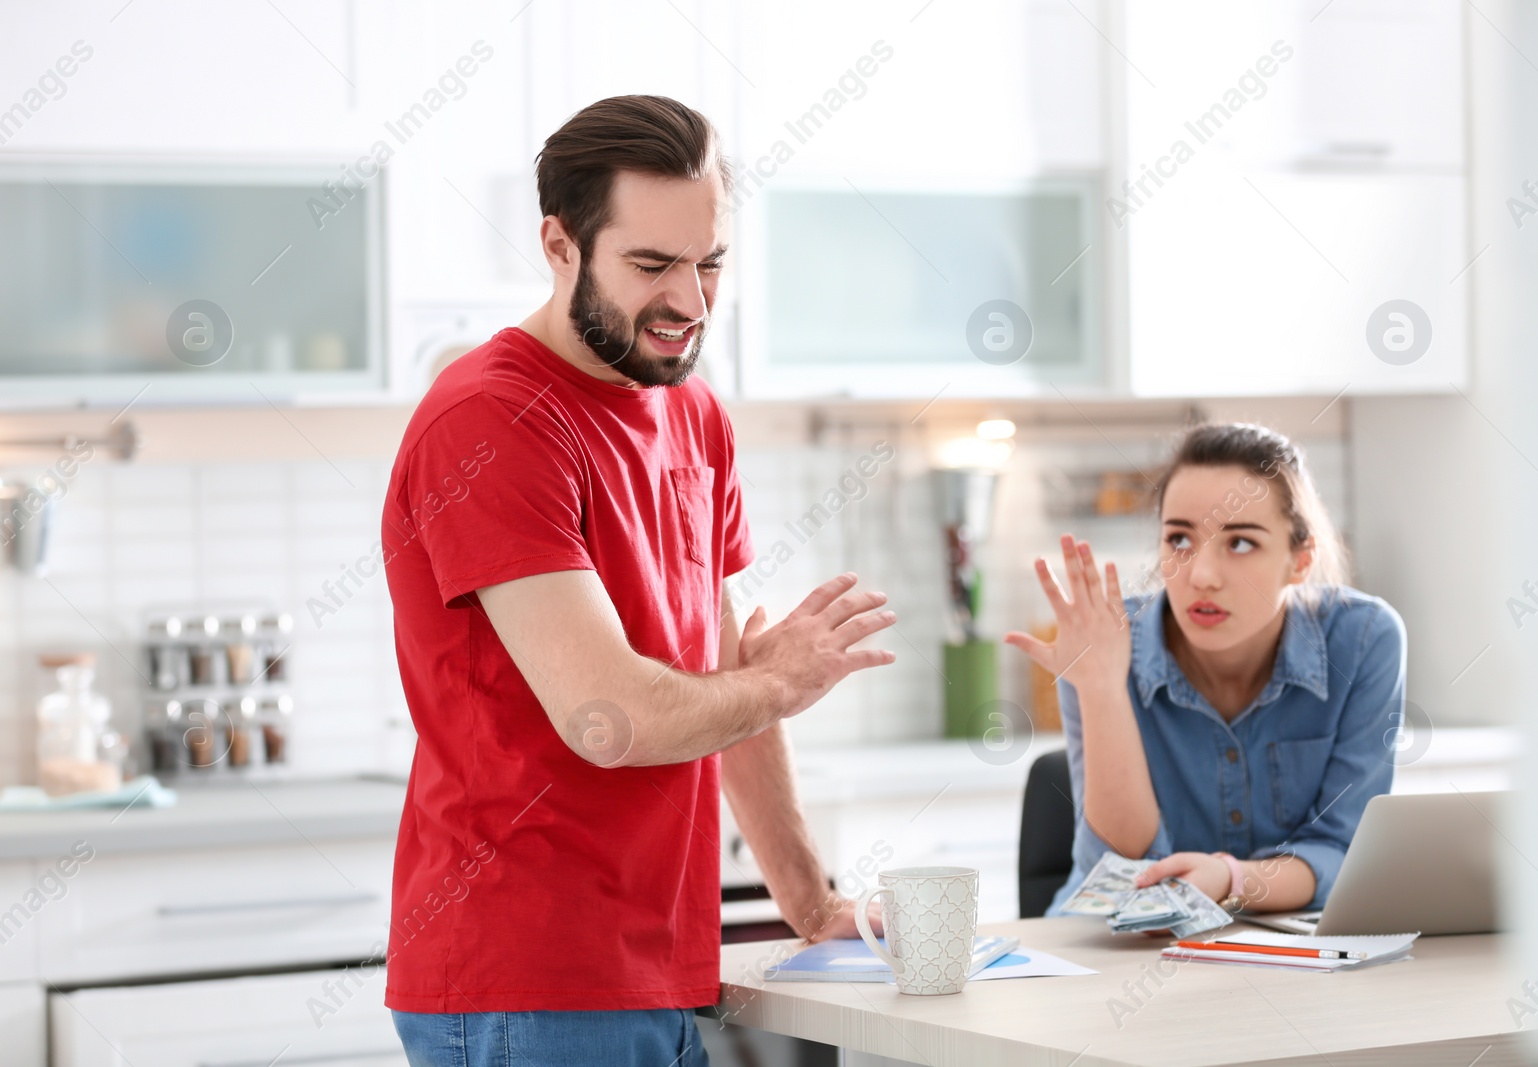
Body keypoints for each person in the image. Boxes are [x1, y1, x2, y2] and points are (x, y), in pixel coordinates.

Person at [380, 95, 894, 1066]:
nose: (691, 303)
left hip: (657, 964)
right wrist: (779, 677)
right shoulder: (491, 424)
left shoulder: (694, 415)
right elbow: (608, 716)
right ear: (559, 244)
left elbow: (727, 682)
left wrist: (810, 901)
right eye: (652, 266)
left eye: (710, 264)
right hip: (526, 978)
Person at [1005, 422, 1406, 916]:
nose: (1201, 576)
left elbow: (1344, 851)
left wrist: (1231, 879)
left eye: (1239, 543)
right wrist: (1102, 688)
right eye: (1178, 539)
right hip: (1110, 951)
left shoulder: (1362, 640)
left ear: (1300, 560)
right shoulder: (1102, 642)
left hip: (1279, 947)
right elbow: (1120, 873)